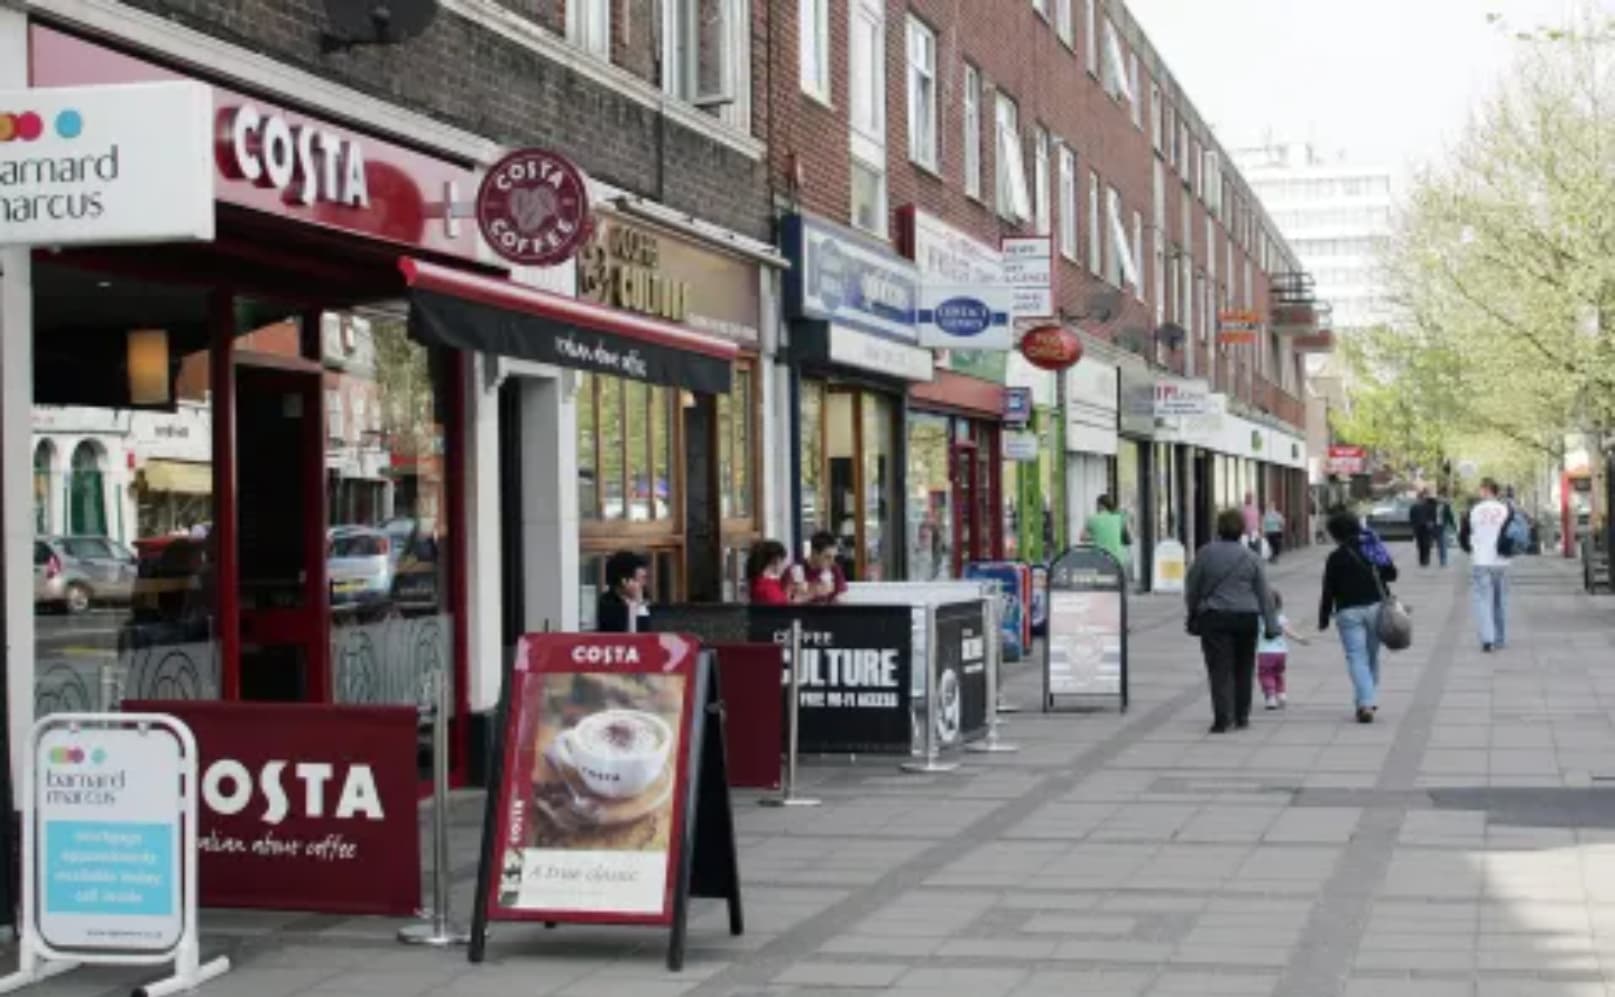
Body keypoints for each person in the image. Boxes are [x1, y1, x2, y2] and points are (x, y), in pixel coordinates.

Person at [1184, 508, 1282, 734]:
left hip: (1215, 618)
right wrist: (1271, 625)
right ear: (1242, 530)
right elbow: (1264, 593)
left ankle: (1221, 718)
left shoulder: (1205, 554)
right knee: (1243, 667)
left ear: (1219, 528)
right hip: (1246, 618)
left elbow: (1193, 587)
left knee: (1219, 668)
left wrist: (1192, 613)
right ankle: (1241, 715)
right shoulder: (1252, 557)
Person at [1318, 510, 1398, 722]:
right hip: (1375, 608)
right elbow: (1392, 574)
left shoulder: (1335, 557)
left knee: (1356, 657)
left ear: (1336, 533)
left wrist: (1324, 616)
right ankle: (1366, 702)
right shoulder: (1372, 549)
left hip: (1347, 612)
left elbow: (1328, 589)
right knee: (1371, 657)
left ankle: (1365, 702)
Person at [1459, 478, 1511, 652]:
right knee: (1500, 601)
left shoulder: (1475, 510)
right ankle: (1501, 638)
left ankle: (1488, 639)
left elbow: (1464, 534)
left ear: (1486, 489)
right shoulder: (1505, 510)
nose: (1479, 492)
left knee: (1482, 600)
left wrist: (1471, 549)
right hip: (1501, 561)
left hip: (1481, 559)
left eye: (1480, 489)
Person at [1258, 591, 1311, 710]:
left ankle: (1271, 697)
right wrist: (1300, 639)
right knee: (1278, 674)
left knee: (1266, 675)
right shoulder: (1281, 618)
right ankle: (1281, 694)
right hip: (1281, 653)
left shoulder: (1259, 619)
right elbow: (1289, 632)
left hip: (1265, 653)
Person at [596, 550, 650, 632]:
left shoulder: (647, 599)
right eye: (642, 578)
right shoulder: (608, 604)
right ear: (624, 581)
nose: (644, 583)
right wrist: (637, 603)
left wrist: (640, 603)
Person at [1082, 495, 1131, 571]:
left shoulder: (1092, 519)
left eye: (1097, 505)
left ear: (1101, 505)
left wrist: (1095, 536)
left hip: (1099, 560)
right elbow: (1126, 538)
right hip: (1117, 560)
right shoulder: (1119, 518)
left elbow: (1082, 537)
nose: (1096, 508)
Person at [797, 531, 848, 604]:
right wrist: (813, 593)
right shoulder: (797, 570)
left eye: (834, 557)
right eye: (827, 557)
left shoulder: (835, 569)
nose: (832, 562)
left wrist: (838, 599)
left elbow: (842, 597)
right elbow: (787, 604)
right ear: (814, 553)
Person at [746, 539, 801, 606]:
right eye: (783, 560)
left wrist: (787, 589)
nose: (784, 564)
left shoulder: (757, 582)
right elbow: (784, 609)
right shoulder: (768, 589)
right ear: (775, 560)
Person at [1411, 488, 1438, 568]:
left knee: (1426, 544)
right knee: (1420, 544)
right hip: (1419, 527)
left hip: (1427, 527)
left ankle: (1425, 559)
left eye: (1424, 496)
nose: (1422, 498)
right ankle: (1422, 560)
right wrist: (1413, 526)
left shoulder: (1430, 504)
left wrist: (1432, 523)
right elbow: (1412, 517)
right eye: (1421, 496)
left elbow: (1433, 515)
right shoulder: (1414, 506)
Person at [1436, 492, 1458, 568]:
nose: (1440, 499)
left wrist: (1454, 526)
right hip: (1434, 527)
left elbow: (1450, 517)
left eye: (1442, 498)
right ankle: (1441, 558)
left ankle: (1443, 560)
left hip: (1442, 526)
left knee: (1442, 544)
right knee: (1438, 544)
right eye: (1439, 497)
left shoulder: (1446, 507)